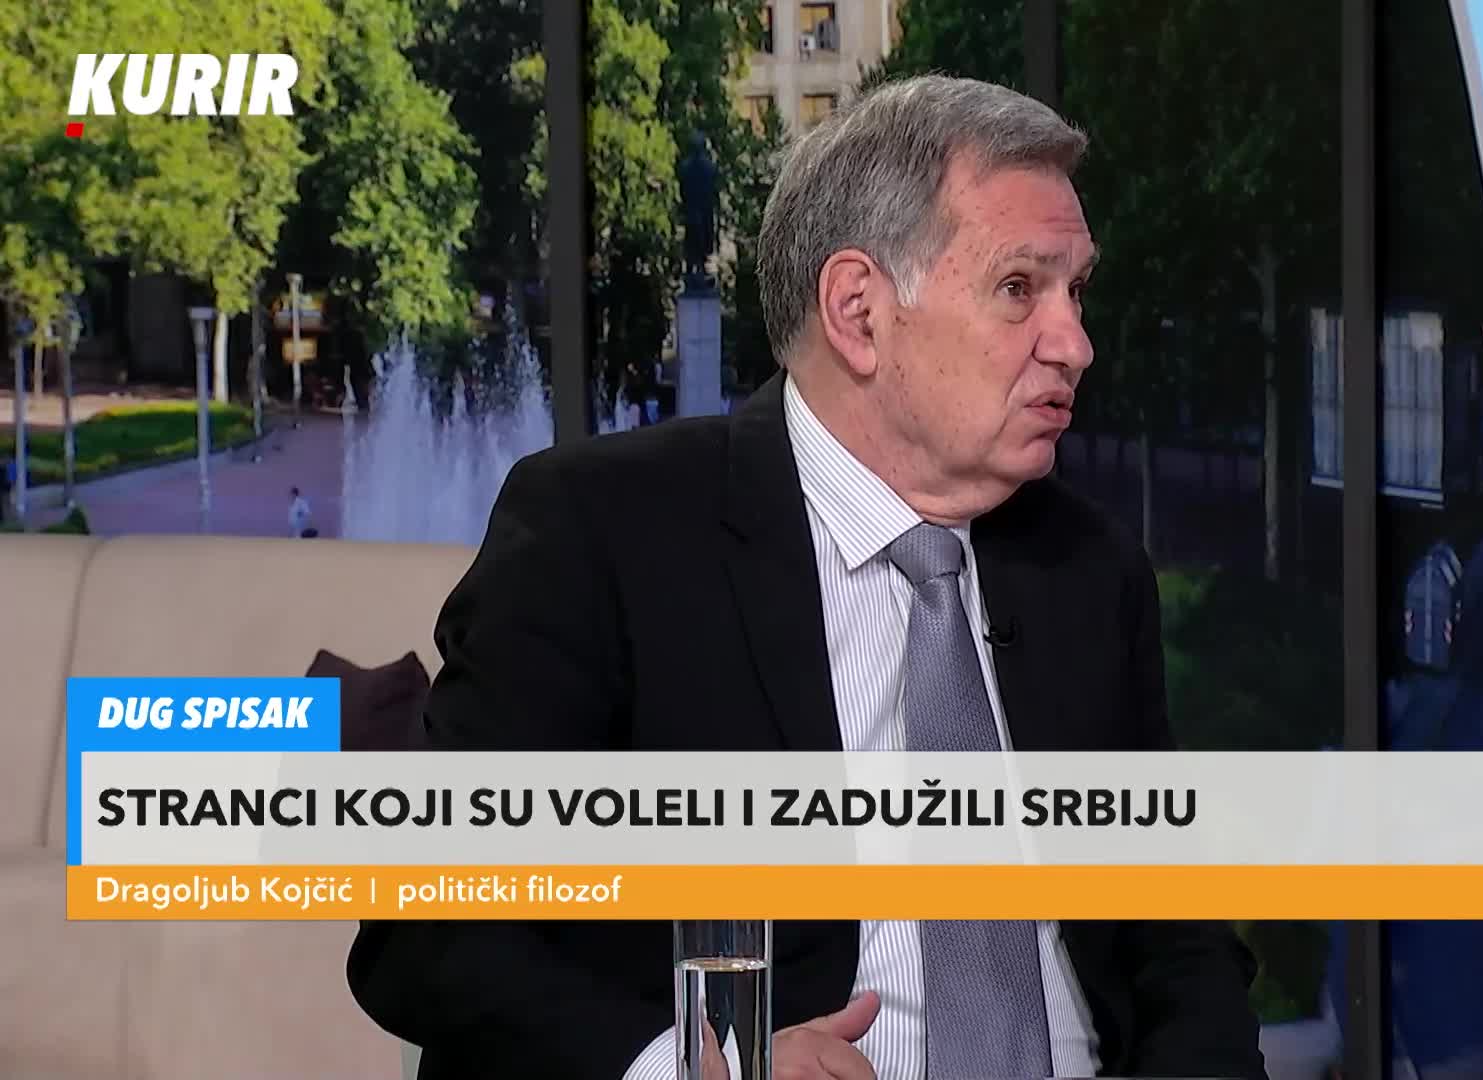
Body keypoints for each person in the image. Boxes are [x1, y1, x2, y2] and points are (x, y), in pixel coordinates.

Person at [345, 75, 1263, 1080]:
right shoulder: (603, 532)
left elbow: (1179, 940)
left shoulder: (1088, 570)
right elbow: (425, 931)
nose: (1075, 344)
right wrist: (694, 1065)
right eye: (1019, 289)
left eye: (1075, 290)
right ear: (859, 311)